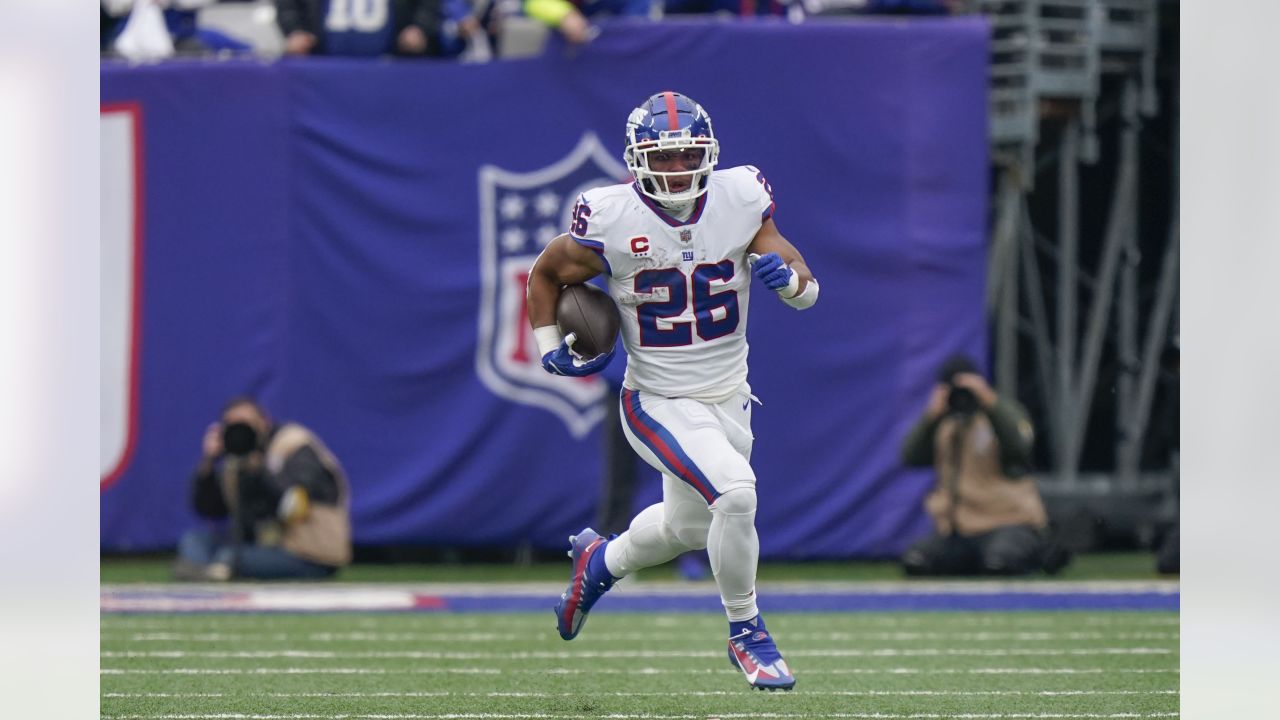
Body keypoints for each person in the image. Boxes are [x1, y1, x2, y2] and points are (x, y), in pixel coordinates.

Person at [526, 91, 819, 691]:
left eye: (688, 156)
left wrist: (788, 282)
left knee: (690, 527)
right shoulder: (611, 216)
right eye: (665, 159)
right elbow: (547, 273)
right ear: (637, 161)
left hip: (730, 395)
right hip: (656, 399)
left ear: (708, 155)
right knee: (736, 496)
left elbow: (806, 284)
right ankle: (748, 633)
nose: (678, 170)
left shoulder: (739, 199)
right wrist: (548, 345)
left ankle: (598, 562)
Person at [899, 355, 1066, 576]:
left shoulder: (999, 416)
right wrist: (930, 417)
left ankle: (1038, 551)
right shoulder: (944, 425)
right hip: (957, 531)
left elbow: (1020, 444)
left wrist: (989, 400)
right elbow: (910, 456)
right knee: (917, 561)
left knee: (1001, 561)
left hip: (1007, 522)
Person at [174, 397, 353, 581]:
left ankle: (213, 570)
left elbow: (296, 500)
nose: (241, 433)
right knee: (194, 540)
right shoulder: (234, 461)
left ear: (264, 422)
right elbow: (208, 509)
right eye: (233, 427)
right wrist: (209, 462)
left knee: (228, 557)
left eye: (246, 425)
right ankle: (206, 571)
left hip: (307, 552)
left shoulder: (293, 443)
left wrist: (261, 470)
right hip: (258, 546)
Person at [275, 0, 444, 57]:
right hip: (323, 64)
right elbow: (288, 5)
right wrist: (295, 30)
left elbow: (428, 5)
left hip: (391, 65)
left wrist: (419, 28)